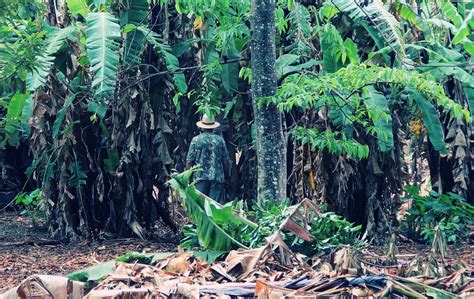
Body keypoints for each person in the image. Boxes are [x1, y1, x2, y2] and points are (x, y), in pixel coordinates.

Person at [186, 114, 231, 203]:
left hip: (200, 178)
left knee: (201, 206)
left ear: (202, 127)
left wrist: (189, 178)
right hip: (217, 178)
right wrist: (226, 176)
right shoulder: (220, 140)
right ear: (213, 127)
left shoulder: (196, 140)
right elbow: (226, 161)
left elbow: (189, 161)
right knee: (216, 206)